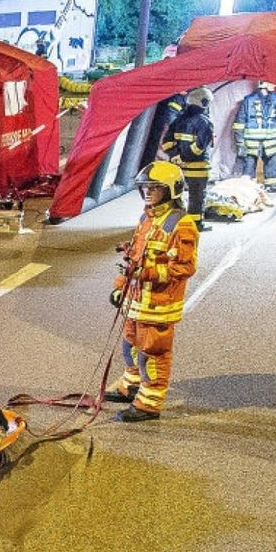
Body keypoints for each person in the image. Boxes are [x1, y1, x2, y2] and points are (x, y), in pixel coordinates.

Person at [104, 161, 198, 422]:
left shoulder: (182, 225)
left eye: (155, 188)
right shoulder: (146, 218)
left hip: (158, 305)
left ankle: (148, 404)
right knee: (129, 345)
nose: (148, 192)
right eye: (145, 187)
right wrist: (119, 288)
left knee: (152, 354)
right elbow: (133, 256)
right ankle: (131, 387)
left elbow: (184, 267)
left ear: (171, 190)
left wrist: (147, 273)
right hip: (135, 300)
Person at [161, 87, 214, 231]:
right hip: (198, 168)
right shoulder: (205, 123)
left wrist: (175, 155)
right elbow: (199, 147)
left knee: (175, 196)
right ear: (204, 102)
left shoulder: (178, 120)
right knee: (197, 197)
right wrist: (184, 156)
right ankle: (195, 225)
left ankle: (173, 223)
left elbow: (166, 141)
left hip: (179, 167)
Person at [232, 80, 276, 192]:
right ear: (264, 84)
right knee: (250, 165)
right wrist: (240, 142)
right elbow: (239, 123)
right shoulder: (249, 100)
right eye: (272, 82)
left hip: (265, 141)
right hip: (259, 142)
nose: (275, 84)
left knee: (271, 164)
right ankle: (250, 188)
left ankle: (269, 186)